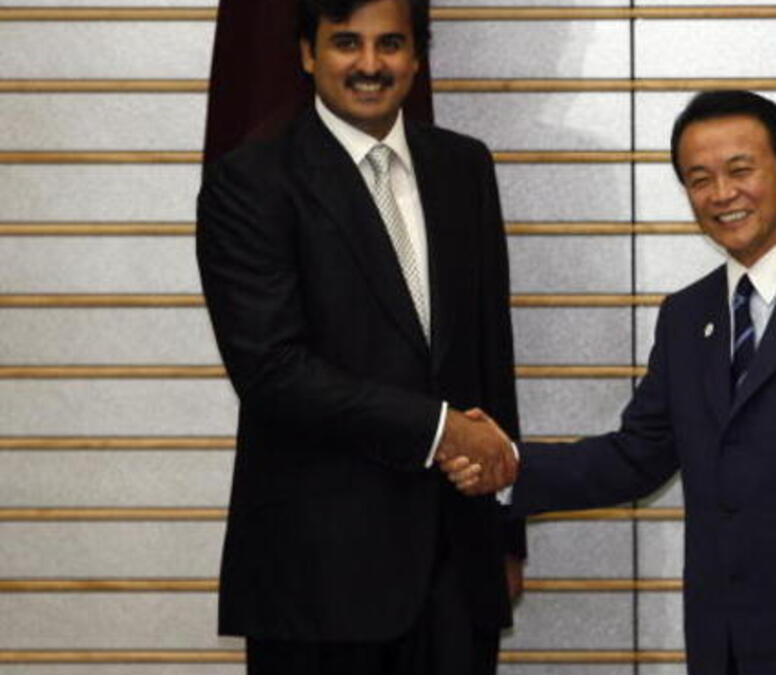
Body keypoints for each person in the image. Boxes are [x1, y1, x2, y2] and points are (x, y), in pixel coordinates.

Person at [448, 91, 776, 674]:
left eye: (740, 170)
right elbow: (635, 458)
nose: (722, 194)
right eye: (699, 179)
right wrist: (506, 464)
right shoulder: (687, 316)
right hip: (721, 645)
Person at [196, 0, 522, 672]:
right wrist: (440, 429)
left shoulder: (466, 168)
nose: (371, 65)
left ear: (417, 55)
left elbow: (490, 355)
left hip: (456, 571)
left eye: (391, 44)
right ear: (308, 54)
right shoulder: (249, 182)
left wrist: (504, 532)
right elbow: (272, 371)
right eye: (347, 42)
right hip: (319, 580)